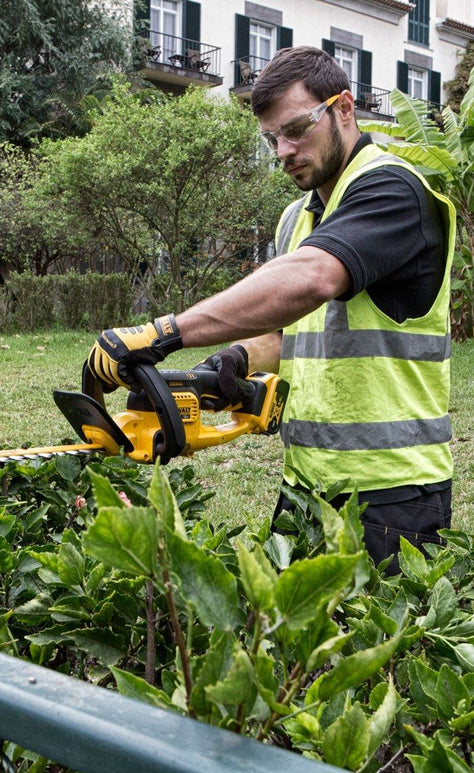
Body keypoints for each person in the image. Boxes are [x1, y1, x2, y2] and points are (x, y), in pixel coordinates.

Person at [87, 46, 456, 574]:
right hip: (305, 482)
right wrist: (241, 355)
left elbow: (314, 279)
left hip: (393, 492)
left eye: (297, 128)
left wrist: (165, 332)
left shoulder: (394, 189)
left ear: (344, 108)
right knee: (290, 649)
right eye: (272, 138)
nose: (283, 150)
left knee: (379, 655)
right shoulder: (296, 218)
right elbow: (300, 332)